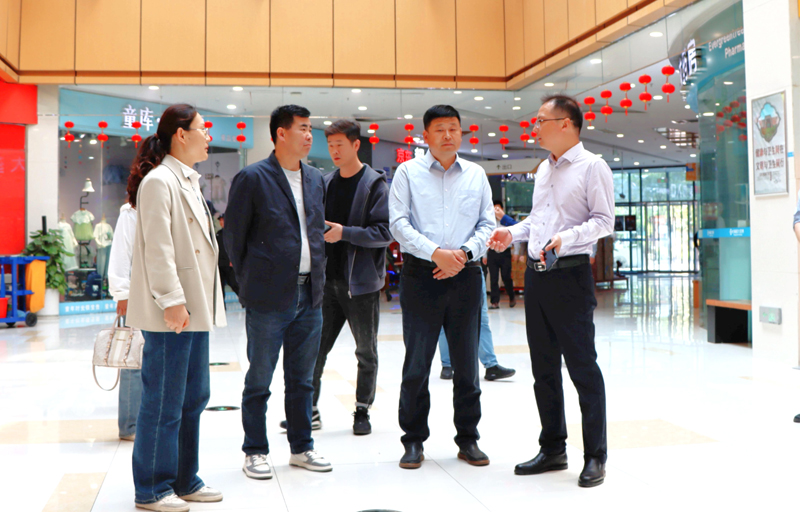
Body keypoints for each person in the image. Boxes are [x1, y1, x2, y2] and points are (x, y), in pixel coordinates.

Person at [488, 94, 614, 488]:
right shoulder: (544, 168)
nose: (534, 127)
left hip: (571, 275)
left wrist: (568, 238)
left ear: (566, 124)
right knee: (543, 369)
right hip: (538, 278)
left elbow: (604, 221)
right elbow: (539, 220)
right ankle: (553, 449)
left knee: (582, 368)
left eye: (541, 120)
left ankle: (595, 456)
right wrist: (511, 233)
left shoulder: (592, 166)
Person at [126, 104, 227, 511]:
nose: (208, 136)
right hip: (174, 311)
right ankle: (152, 487)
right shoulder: (159, 181)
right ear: (181, 134)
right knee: (165, 400)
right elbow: (158, 249)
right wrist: (171, 302)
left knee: (193, 396)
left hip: (194, 308)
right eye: (203, 129)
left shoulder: (186, 180)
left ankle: (185, 479)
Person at [225, 105, 332, 479]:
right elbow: (233, 238)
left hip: (310, 294)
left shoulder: (315, 179)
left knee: (302, 379)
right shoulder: (253, 177)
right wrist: (248, 287)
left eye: (311, 128)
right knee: (259, 380)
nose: (309, 135)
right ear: (281, 134)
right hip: (268, 298)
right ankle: (255, 450)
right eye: (302, 128)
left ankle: (302, 447)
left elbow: (316, 232)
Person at [389, 105, 494, 470]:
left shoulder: (476, 174)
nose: (448, 135)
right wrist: (436, 254)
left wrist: (462, 255)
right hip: (421, 276)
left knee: (467, 365)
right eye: (439, 129)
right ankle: (413, 440)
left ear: (462, 133)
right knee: (417, 364)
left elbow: (487, 224)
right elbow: (398, 223)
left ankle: (468, 439)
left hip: (466, 276)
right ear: (426, 136)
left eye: (454, 128)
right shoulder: (407, 172)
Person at [287, 119, 391, 435]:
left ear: (356, 145)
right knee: (314, 350)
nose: (334, 151)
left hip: (360, 284)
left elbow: (384, 233)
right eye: (330, 145)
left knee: (366, 351)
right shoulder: (325, 182)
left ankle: (362, 410)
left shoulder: (374, 184)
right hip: (325, 282)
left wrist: (345, 233)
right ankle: (309, 410)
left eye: (339, 145)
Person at [437, 268, 516, 381]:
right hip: (446, 268)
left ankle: (491, 365)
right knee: (445, 318)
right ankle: (447, 364)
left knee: (481, 319)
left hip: (473, 268)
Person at [108, 200, 142, 442]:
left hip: (161, 296)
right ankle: (129, 424)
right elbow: (121, 254)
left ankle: (143, 421)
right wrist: (122, 294)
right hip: (135, 295)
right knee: (132, 360)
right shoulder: (130, 212)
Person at [487, 200, 517, 309]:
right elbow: (485, 238)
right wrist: (484, 255)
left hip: (505, 253)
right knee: (494, 278)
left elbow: (517, 232)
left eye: (498, 209)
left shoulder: (507, 221)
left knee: (506, 276)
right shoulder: (489, 222)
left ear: (502, 209)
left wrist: (516, 252)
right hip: (492, 252)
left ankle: (511, 296)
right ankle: (494, 302)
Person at [215, 213, 239, 298]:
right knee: (220, 290)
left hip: (230, 265)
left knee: (236, 285)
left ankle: (247, 303)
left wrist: (234, 260)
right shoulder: (218, 234)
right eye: (220, 220)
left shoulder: (234, 233)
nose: (221, 222)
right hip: (221, 265)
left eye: (223, 220)